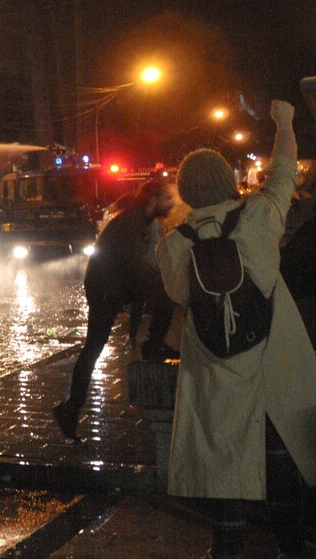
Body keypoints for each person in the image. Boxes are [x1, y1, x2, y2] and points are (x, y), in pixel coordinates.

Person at [157, 100, 316, 558]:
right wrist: (283, 121)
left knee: (226, 467)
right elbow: (284, 167)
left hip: (216, 373)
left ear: (187, 190)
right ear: (230, 182)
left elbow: (179, 298)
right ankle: (292, 548)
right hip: (275, 366)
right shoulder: (260, 219)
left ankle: (226, 549)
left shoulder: (173, 246)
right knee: (282, 462)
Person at [52, 177, 178, 439]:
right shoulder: (132, 221)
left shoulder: (137, 219)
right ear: (152, 200)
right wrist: (163, 278)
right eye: (166, 198)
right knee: (94, 347)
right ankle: (71, 408)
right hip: (106, 286)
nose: (171, 203)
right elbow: (136, 262)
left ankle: (71, 409)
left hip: (111, 283)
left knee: (93, 347)